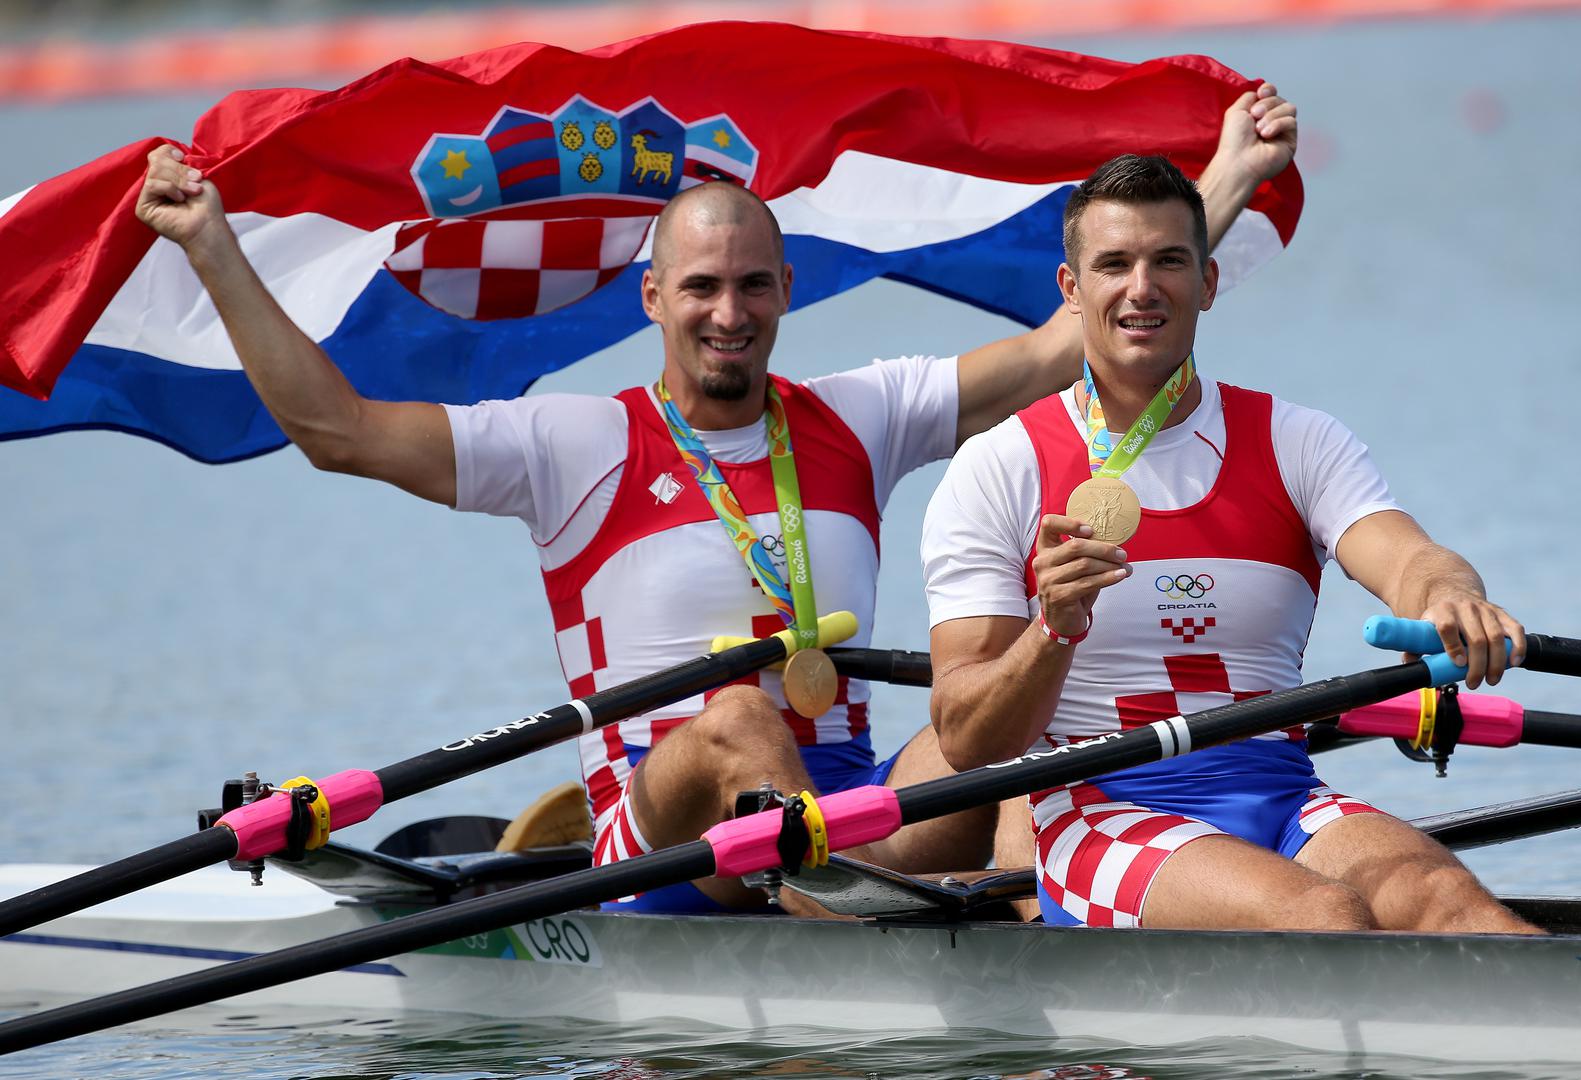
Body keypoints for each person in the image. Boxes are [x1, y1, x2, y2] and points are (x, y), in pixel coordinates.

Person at [135, 87, 1298, 916]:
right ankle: (856, 920)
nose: (727, 312)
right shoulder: (567, 442)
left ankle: (990, 899)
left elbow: (1059, 349)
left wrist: (1225, 183)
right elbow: (337, 433)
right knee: (738, 718)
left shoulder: (861, 414)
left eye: (751, 285)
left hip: (849, 817)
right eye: (699, 287)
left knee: (979, 724)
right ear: (652, 295)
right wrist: (211, 249)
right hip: (659, 846)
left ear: (787, 289)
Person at [921, 153, 1542, 933]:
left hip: (1281, 793)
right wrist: (1053, 627)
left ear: (1208, 283)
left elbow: (1411, 559)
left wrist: (1453, 595)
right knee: (1323, 914)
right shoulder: (999, 467)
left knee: (1454, 906)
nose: (1142, 288)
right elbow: (967, 738)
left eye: (1168, 261)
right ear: (1071, 291)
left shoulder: (1298, 440)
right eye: (1113, 264)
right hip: (1098, 807)